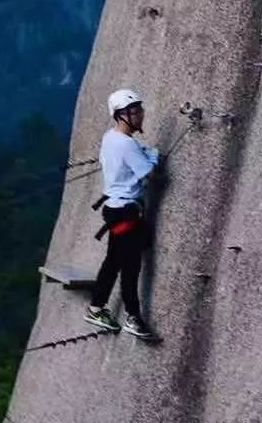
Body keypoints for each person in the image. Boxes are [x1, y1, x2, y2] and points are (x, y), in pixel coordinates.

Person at [84, 89, 159, 340]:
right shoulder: (127, 144)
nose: (140, 115)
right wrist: (155, 158)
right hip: (127, 212)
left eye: (140, 110)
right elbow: (149, 175)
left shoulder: (111, 137)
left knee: (113, 262)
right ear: (121, 115)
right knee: (130, 266)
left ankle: (96, 308)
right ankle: (133, 317)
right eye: (134, 112)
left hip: (116, 210)